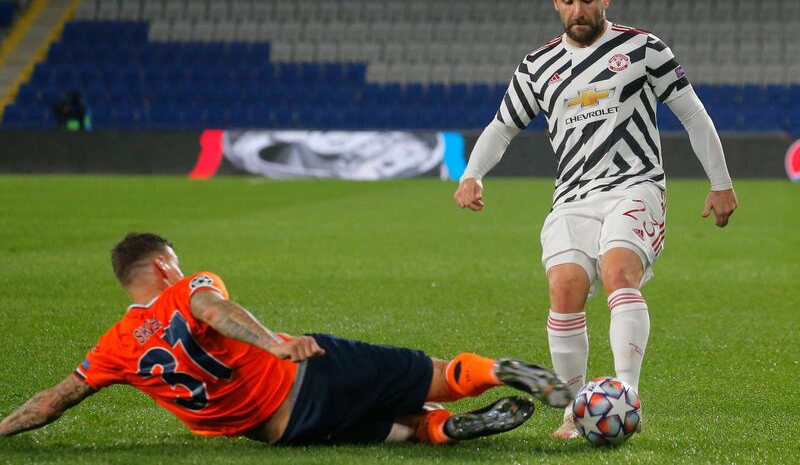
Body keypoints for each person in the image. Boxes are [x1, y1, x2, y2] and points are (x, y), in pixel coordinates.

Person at [453, 0, 737, 439]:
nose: (578, 9)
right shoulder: (537, 65)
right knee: (564, 289)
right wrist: (472, 173)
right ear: (555, 3)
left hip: (635, 185)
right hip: (572, 198)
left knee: (617, 271)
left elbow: (693, 114)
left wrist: (721, 181)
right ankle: (573, 409)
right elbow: (503, 126)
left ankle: (627, 398)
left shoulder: (643, 49)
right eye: (568, 1)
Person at [0, 232, 571, 445]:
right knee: (436, 373)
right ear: (163, 267)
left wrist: (3, 428)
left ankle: (444, 432)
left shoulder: (113, 348)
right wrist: (273, 345)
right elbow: (215, 309)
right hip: (305, 372)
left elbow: (55, 400)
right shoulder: (187, 289)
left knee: (401, 428)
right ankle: (497, 373)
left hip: (280, 431)